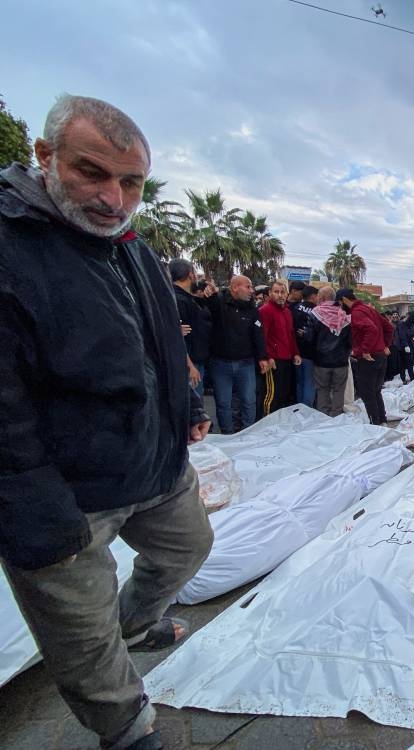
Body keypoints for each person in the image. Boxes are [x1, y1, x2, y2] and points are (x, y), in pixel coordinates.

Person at [0, 94, 214, 750]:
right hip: (65, 495)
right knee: (82, 636)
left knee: (189, 547)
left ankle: (138, 621)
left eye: (131, 183)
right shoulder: (11, 247)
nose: (114, 199)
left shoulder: (129, 246)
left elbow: (162, 345)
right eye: (92, 173)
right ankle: (128, 730)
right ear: (45, 157)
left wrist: (190, 407)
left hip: (153, 464)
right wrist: (39, 517)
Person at [205, 275, 269, 433]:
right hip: (220, 364)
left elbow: (258, 335)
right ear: (235, 288)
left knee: (249, 401)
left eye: (251, 287)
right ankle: (227, 434)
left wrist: (263, 357)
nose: (251, 291)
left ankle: (249, 433)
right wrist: (212, 294)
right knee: (223, 403)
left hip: (246, 364)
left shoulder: (252, 309)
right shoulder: (219, 303)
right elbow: (210, 306)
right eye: (248, 287)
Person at [336, 288, 393, 425]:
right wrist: (385, 345)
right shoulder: (370, 310)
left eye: (339, 303)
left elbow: (371, 329)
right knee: (375, 391)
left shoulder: (357, 312)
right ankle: (382, 420)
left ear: (344, 299)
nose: (340, 307)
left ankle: (375, 422)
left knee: (367, 392)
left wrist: (365, 350)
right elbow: (389, 328)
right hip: (380, 356)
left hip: (369, 358)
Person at [256, 280, 301, 417]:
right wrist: (267, 356)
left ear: (287, 294)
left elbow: (290, 335)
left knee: (283, 394)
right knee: (271, 395)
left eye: (282, 292)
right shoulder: (265, 311)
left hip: (286, 358)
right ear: (270, 293)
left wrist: (296, 353)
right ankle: (265, 423)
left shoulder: (287, 312)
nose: (280, 295)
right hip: (273, 360)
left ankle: (277, 424)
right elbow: (262, 336)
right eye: (276, 292)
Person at [306, 286, 352, 417]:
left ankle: (323, 416)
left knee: (322, 390)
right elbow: (350, 341)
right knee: (339, 390)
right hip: (341, 362)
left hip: (321, 361)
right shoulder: (344, 315)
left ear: (321, 297)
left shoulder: (315, 314)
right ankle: (336, 416)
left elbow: (310, 338)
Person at [170, 258, 212, 397]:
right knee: (193, 411)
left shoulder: (186, 298)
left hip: (195, 363)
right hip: (190, 366)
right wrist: (190, 366)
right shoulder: (179, 300)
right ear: (190, 274)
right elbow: (178, 339)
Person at [289, 282, 318, 407]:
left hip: (296, 352)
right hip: (310, 353)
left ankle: (299, 409)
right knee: (309, 383)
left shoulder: (294, 309)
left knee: (299, 383)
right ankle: (307, 411)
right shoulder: (317, 312)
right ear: (313, 296)